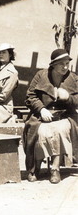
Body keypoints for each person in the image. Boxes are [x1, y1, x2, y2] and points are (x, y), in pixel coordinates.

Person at [23, 49, 77, 184]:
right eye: (61, 64)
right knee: (38, 131)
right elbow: (30, 96)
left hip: (65, 115)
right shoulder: (41, 75)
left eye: (67, 63)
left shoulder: (74, 78)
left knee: (58, 130)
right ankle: (35, 167)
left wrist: (68, 98)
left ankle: (55, 169)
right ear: (53, 64)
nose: (65, 67)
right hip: (42, 114)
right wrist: (41, 109)